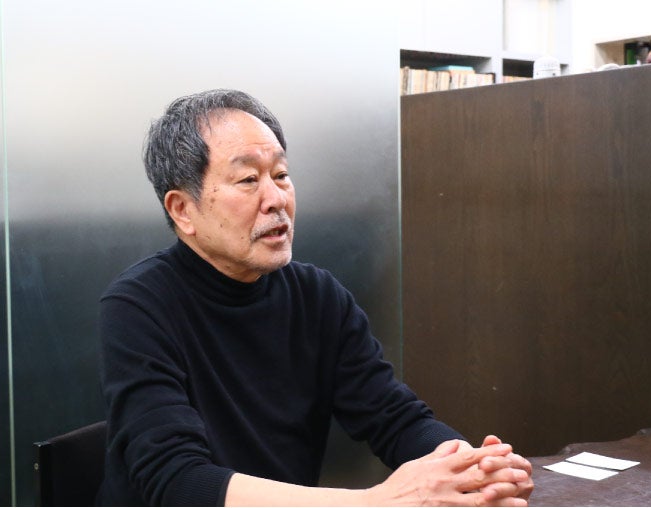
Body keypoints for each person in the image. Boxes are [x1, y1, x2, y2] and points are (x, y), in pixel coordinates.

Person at [97, 89, 533, 506]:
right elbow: (179, 483)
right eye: (248, 179)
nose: (276, 199)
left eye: (281, 175)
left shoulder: (317, 296)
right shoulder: (139, 305)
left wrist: (474, 471)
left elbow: (393, 417)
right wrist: (375, 502)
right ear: (182, 210)